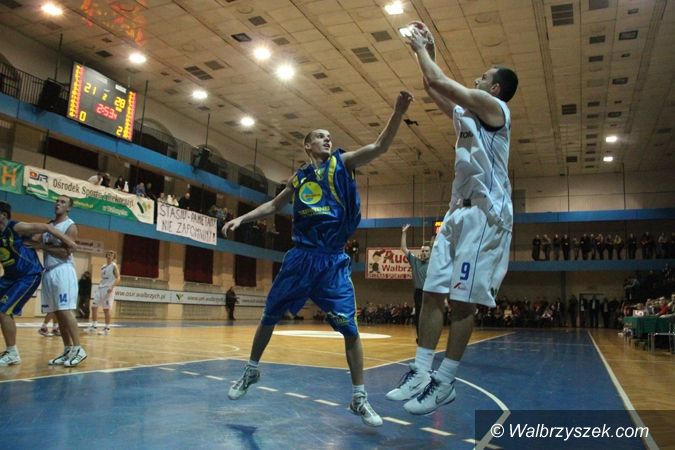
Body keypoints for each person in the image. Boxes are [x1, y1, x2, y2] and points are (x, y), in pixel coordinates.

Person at [221, 90, 413, 427]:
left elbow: (379, 147)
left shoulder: (343, 163)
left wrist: (397, 112)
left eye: (330, 137)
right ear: (307, 145)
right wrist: (242, 219)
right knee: (269, 316)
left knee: (350, 329)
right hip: (300, 258)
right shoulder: (299, 178)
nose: (328, 140)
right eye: (321, 136)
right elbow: (273, 205)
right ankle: (251, 370)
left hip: (332, 261)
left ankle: (359, 397)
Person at [387, 22, 518, 415]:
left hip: (486, 214)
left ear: (495, 89)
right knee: (432, 293)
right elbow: (433, 86)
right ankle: (421, 371)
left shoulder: (496, 111)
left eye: (483, 78)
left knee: (462, 301)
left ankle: (445, 382)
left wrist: (421, 47)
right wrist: (425, 51)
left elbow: (441, 80)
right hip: (456, 212)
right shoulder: (468, 117)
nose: (477, 80)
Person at [0, 201, 77, 366]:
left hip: (28, 275)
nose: (58, 203)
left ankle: (12, 353)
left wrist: (69, 242)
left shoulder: (16, 227)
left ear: (3, 215)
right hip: (9, 277)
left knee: (4, 311)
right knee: (57, 311)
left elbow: (46, 227)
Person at [31, 195, 87, 367]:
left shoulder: (70, 226)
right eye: (57, 201)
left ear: (68, 208)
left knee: (65, 310)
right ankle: (67, 349)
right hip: (49, 271)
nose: (58, 204)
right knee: (57, 313)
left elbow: (64, 253)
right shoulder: (49, 225)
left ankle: (79, 348)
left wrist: (43, 246)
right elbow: (34, 239)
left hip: (63, 270)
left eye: (63, 202)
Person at [400, 224, 430, 341]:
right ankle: (420, 337)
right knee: (418, 315)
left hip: (429, 292)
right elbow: (403, 248)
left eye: (426, 251)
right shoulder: (415, 261)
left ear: (430, 252)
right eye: (423, 250)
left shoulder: (433, 263)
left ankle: (428, 336)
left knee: (428, 315)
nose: (424, 252)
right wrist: (404, 233)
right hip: (418, 292)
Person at [88, 251, 120, 335]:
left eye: (111, 255)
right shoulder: (103, 266)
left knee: (106, 309)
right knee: (93, 306)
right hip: (100, 288)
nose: (109, 256)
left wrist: (112, 287)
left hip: (108, 288)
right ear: (106, 256)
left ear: (114, 257)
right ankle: (94, 326)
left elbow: (118, 278)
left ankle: (107, 328)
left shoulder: (114, 266)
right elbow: (103, 278)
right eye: (108, 254)